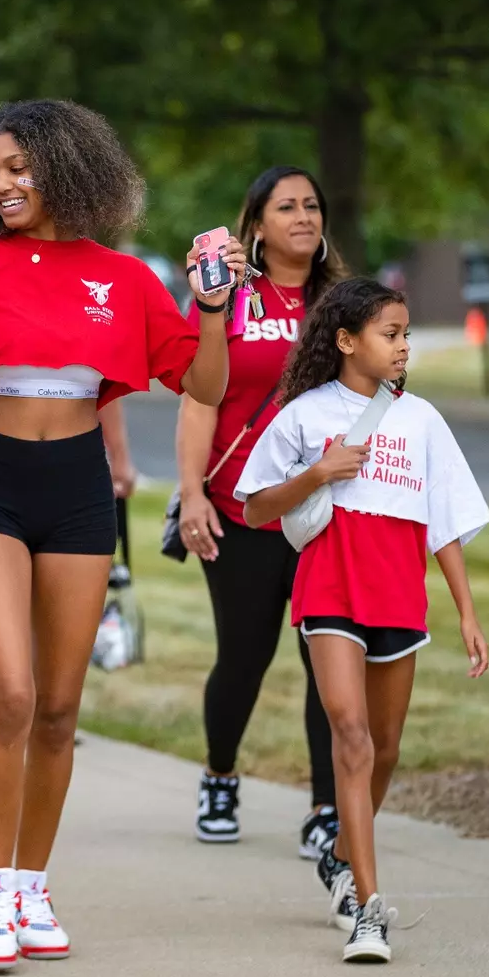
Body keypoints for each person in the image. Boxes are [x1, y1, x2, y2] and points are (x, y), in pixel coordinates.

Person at [0, 100, 238, 970]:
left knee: (58, 708)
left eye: (19, 168)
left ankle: (31, 885)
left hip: (79, 491)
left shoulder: (122, 278)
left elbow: (204, 384)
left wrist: (212, 308)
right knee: (10, 694)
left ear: (66, 167)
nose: (3, 185)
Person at [236, 277, 489, 963]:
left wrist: (467, 613)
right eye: (391, 334)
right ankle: (367, 908)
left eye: (407, 334)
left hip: (398, 594)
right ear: (347, 341)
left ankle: (346, 855)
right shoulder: (303, 414)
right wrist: (317, 474)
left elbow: (445, 523)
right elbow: (255, 508)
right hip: (328, 589)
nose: (404, 346)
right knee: (350, 737)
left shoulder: (423, 420)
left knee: (384, 748)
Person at [175, 165, 347, 857]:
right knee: (244, 657)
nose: (303, 216)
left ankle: (327, 808)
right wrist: (191, 493)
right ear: (256, 226)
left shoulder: (344, 303)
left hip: (326, 512)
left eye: (311, 205)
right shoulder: (229, 299)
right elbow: (200, 399)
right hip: (241, 510)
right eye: (286, 207)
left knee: (328, 660)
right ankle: (219, 776)